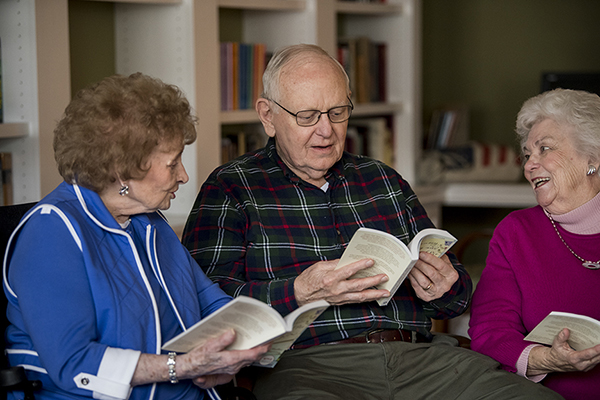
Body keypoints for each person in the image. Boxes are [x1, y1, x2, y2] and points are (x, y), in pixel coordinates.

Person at [182, 44, 562, 399]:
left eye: (337, 112)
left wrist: (446, 286)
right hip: (307, 366)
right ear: (268, 116)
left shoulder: (383, 180)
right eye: (307, 116)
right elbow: (201, 309)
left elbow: (457, 299)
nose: (326, 130)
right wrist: (298, 291)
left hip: (422, 359)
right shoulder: (231, 187)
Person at [2, 73, 270, 400]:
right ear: (121, 170)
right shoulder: (51, 233)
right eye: (172, 164)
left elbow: (208, 301)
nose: (184, 176)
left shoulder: (150, 223)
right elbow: (75, 364)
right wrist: (182, 367)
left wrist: (254, 332)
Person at [468, 88, 600, 400]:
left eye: (544, 149)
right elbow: (489, 333)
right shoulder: (516, 233)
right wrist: (546, 359)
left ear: (592, 159)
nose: (529, 165)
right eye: (528, 154)